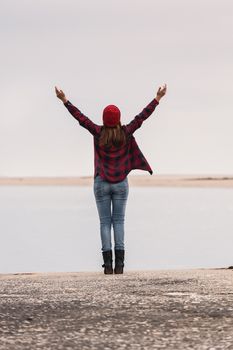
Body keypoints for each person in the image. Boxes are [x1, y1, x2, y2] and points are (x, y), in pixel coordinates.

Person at [55, 84, 167, 274]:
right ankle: (120, 265)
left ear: (104, 120)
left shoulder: (98, 132)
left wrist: (65, 101)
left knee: (105, 222)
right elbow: (142, 118)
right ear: (118, 119)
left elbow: (81, 118)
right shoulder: (125, 132)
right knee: (119, 221)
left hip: (101, 183)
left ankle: (107, 265)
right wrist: (157, 98)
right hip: (121, 184)